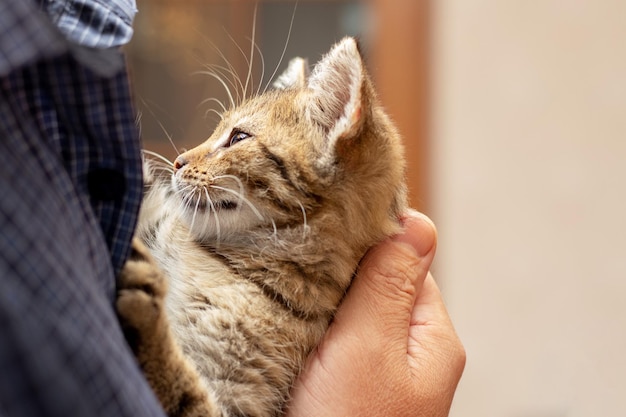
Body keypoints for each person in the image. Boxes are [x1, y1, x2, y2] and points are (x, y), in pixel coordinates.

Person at [0, 1, 464, 416]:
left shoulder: (296, 326)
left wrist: (159, 355)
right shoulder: (209, 235)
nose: (186, 160)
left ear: (336, 137)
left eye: (236, 140)